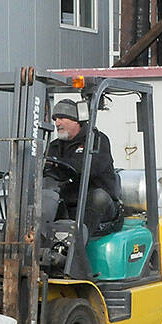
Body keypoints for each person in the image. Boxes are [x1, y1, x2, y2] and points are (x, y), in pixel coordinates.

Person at [45, 99, 122, 236]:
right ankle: (40, 241)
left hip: (98, 206)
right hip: (69, 203)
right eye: (55, 119)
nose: (57, 123)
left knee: (99, 197)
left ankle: (77, 248)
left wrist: (61, 164)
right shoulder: (54, 146)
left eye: (62, 118)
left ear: (76, 121)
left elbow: (90, 167)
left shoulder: (97, 140)